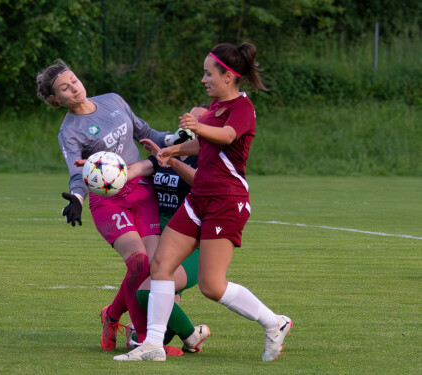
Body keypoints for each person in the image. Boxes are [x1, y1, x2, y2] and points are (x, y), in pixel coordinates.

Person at [114, 43, 293, 362]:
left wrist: (197, 126)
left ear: (228, 76)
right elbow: (204, 144)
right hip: (199, 199)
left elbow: (224, 136)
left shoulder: (241, 107)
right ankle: (153, 345)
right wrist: (172, 152)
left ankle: (274, 323)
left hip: (227, 200)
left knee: (212, 285)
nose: (203, 79)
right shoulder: (214, 105)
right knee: (161, 265)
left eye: (208, 73)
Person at [36, 62, 177, 351]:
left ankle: (111, 315)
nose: (74, 87)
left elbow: (146, 132)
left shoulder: (113, 100)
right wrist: (76, 198)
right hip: (108, 201)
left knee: (156, 266)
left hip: (143, 191)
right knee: (138, 262)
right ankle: (141, 340)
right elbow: (77, 174)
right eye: (65, 88)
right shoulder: (69, 131)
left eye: (73, 80)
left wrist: (178, 140)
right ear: (56, 100)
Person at [124, 105, 211, 354]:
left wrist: (172, 161)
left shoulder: (205, 156)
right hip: (159, 237)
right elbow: (139, 169)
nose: (187, 120)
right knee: (154, 294)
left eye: (197, 118)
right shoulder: (165, 152)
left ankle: (192, 336)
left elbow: (201, 181)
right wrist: (103, 168)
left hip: (191, 243)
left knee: (146, 293)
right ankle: (149, 333)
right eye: (187, 115)